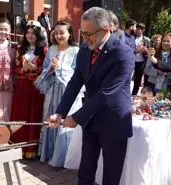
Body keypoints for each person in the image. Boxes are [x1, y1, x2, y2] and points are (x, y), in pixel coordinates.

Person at [47, 7, 135, 185]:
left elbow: (106, 93)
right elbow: (75, 83)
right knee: (86, 168)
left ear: (105, 30)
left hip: (114, 121)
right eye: (82, 33)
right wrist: (60, 112)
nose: (85, 39)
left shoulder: (123, 53)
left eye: (88, 34)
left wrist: (77, 117)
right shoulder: (85, 49)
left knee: (111, 173)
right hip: (91, 119)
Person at [35, 20, 83, 167]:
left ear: (69, 34)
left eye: (62, 32)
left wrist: (61, 66)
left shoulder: (76, 50)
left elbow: (77, 74)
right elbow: (45, 68)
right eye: (56, 33)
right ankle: (49, 153)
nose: (58, 36)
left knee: (65, 120)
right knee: (51, 117)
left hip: (68, 91)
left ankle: (64, 157)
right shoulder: (52, 49)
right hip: (53, 89)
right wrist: (50, 69)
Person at [9, 20, 47, 159]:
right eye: (28, 33)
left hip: (36, 87)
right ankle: (17, 147)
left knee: (33, 116)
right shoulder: (20, 49)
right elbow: (15, 68)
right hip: (22, 87)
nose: (30, 36)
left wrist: (36, 68)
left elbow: (47, 69)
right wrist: (23, 68)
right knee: (20, 115)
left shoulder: (44, 50)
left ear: (38, 35)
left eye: (33, 33)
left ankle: (31, 148)